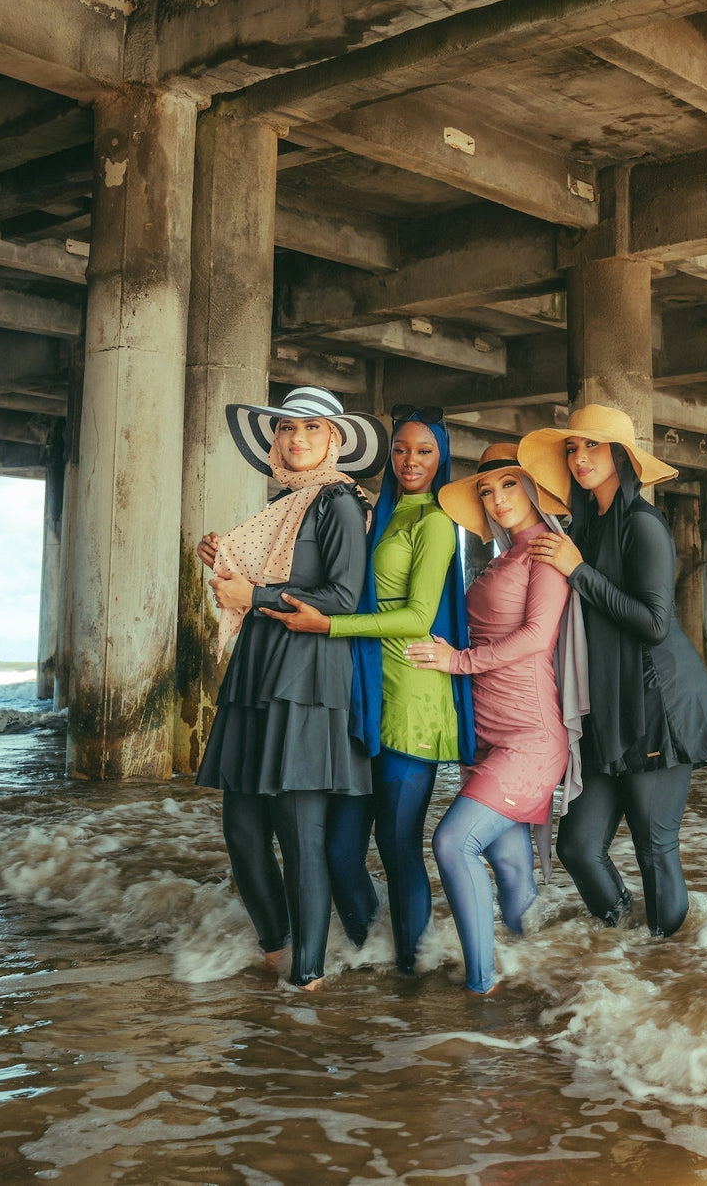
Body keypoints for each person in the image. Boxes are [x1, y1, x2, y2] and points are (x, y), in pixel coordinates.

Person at [263, 405, 474, 974]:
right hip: (364, 695)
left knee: (399, 845)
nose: (410, 461)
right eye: (401, 450)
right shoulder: (377, 513)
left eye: (424, 451)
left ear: (441, 458)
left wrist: (328, 625)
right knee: (338, 850)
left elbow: (415, 617)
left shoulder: (433, 522)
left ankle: (412, 969)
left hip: (411, 698)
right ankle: (369, 952)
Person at [195, 385, 388, 989]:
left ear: (334, 440)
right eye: (286, 429)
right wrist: (228, 563)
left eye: (311, 429)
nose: (296, 439)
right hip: (257, 669)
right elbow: (272, 571)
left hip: (308, 673)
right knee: (242, 826)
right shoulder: (283, 506)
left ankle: (309, 975)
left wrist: (251, 594)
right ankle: (277, 948)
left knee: (299, 829)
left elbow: (341, 596)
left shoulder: (339, 503)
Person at [518, 405, 707, 939]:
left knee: (654, 849)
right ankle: (626, 949)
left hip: (658, 702)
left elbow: (654, 623)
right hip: (606, 706)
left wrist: (578, 571)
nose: (580, 457)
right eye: (572, 448)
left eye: (593, 446)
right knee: (578, 846)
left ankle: (666, 973)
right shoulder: (583, 528)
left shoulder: (642, 523)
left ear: (621, 457)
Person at [405, 443, 581, 996]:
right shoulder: (499, 558)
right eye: (486, 490)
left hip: (530, 736)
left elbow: (536, 637)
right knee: (510, 873)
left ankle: (481, 990)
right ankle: (545, 988)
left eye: (509, 485)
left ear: (532, 489)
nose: (497, 498)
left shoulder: (546, 551)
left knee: (453, 844)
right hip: (486, 735)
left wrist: (457, 662)